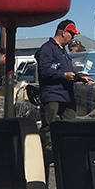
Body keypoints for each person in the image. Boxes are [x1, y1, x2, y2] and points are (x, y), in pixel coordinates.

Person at [36, 19, 88, 158]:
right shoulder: (47, 48)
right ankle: (47, 158)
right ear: (64, 33)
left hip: (67, 96)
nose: (73, 37)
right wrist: (63, 75)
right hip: (52, 95)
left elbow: (66, 70)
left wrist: (79, 77)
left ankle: (67, 155)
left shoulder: (63, 51)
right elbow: (44, 70)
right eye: (72, 34)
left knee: (70, 126)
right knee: (50, 128)